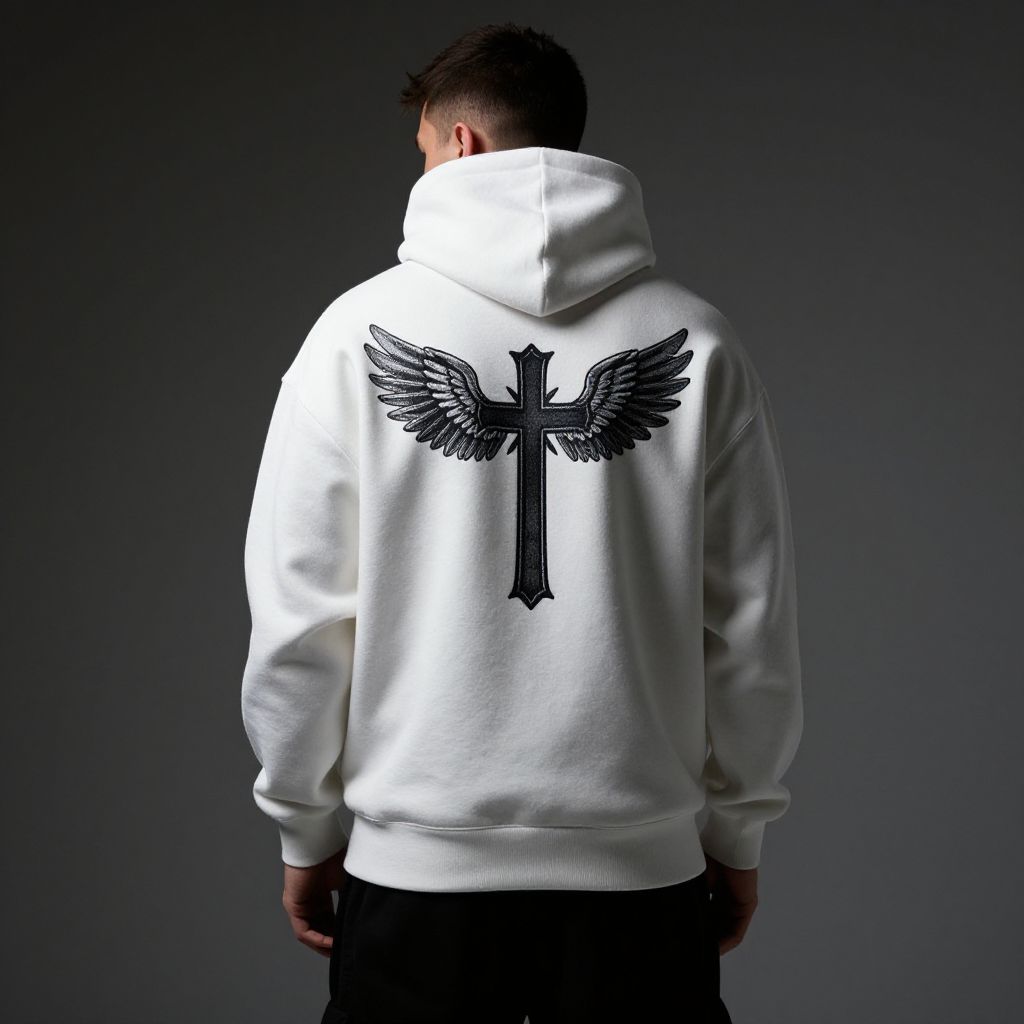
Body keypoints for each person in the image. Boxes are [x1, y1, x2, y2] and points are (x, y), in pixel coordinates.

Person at [240, 20, 803, 1024]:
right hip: (640, 880)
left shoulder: (352, 336)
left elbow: (301, 620)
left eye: (420, 148)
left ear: (458, 143)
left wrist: (303, 825)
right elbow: (752, 627)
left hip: (417, 880)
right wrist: (739, 829)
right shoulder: (698, 340)